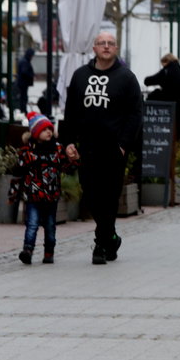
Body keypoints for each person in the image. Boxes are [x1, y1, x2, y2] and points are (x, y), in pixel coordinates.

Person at [62, 32, 143, 265]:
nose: (106, 47)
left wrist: (123, 144)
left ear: (116, 48)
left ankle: (100, 244)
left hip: (114, 149)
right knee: (91, 196)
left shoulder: (127, 78)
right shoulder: (80, 76)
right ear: (94, 48)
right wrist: (68, 141)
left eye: (110, 43)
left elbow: (135, 114)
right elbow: (71, 113)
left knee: (109, 197)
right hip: (87, 147)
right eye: (101, 43)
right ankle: (111, 237)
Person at [9, 112, 76, 265]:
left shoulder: (57, 149)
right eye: (45, 129)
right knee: (32, 223)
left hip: (51, 195)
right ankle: (28, 250)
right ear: (35, 132)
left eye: (50, 129)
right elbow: (18, 170)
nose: (49, 132)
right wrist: (14, 191)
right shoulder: (28, 151)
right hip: (33, 195)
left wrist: (74, 160)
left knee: (50, 225)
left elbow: (66, 166)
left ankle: (49, 251)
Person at [144, 53, 180, 147]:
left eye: (162, 65)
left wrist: (155, 93)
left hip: (169, 114)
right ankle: (178, 160)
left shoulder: (166, 72)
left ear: (166, 62)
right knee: (178, 143)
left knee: (168, 143)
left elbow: (148, 81)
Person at [16, 47, 36, 114]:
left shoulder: (24, 60)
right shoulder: (25, 61)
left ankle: (23, 110)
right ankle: (23, 110)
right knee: (23, 97)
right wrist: (31, 75)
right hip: (23, 83)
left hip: (22, 83)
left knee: (23, 97)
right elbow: (24, 72)